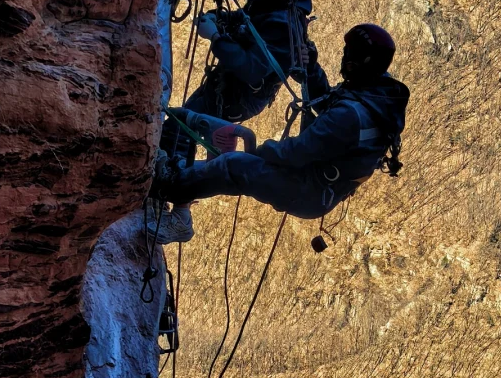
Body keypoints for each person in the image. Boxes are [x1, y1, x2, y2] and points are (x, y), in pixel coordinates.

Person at [154, 0, 330, 242]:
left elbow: (253, 69)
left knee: (179, 130)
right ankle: (166, 186)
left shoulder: (284, 23)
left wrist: (217, 39)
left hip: (239, 96)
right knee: (179, 128)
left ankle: (176, 207)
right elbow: (244, 19)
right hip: (225, 87)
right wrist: (219, 19)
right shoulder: (271, 0)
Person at [155, 22, 408, 231]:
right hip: (318, 184)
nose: (344, 58)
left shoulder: (352, 115)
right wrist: (312, 70)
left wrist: (255, 153)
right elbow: (328, 103)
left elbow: (296, 152)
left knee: (234, 167)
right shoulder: (374, 92)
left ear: (361, 61)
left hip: (310, 189)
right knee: (234, 166)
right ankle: (180, 182)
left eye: (348, 53)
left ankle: (168, 187)